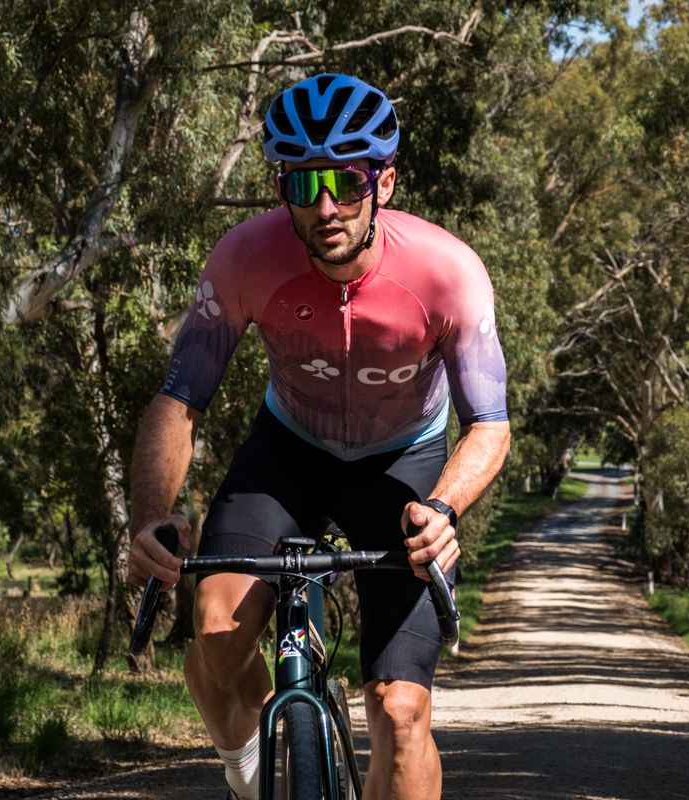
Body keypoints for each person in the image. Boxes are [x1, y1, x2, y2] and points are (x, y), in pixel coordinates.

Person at [128, 73, 510, 800]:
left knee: (400, 712)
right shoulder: (245, 257)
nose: (325, 206)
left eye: (347, 180)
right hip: (289, 452)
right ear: (281, 188)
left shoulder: (448, 273)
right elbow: (180, 400)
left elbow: (488, 424)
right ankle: (248, 775)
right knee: (214, 630)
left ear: (385, 182)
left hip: (405, 462)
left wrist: (447, 508)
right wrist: (150, 515)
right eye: (304, 186)